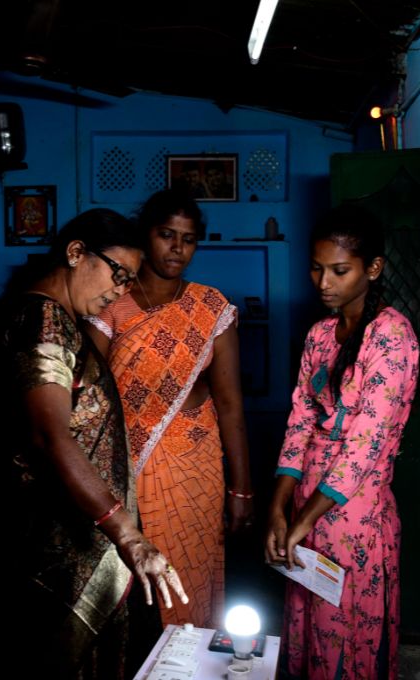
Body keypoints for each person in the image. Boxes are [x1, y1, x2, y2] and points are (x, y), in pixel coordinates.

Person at [0, 208, 187, 679]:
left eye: (130, 281)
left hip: (68, 531)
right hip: (63, 543)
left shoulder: (44, 314)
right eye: (118, 273)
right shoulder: (45, 319)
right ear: (76, 253)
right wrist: (128, 536)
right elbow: (50, 434)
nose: (121, 289)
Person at [264, 203, 419, 680]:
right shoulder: (319, 335)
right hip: (306, 504)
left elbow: (363, 451)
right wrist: (279, 507)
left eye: (339, 270)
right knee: (309, 623)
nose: (323, 282)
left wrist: (303, 519)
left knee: (347, 638)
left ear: (372, 269)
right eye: (316, 268)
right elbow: (299, 420)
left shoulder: (392, 338)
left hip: (353, 514)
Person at [88, 188, 253, 630]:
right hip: (127, 468)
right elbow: (87, 397)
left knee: (189, 580)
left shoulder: (211, 306)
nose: (178, 247)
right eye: (166, 234)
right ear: (147, 235)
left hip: (194, 464)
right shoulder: (112, 303)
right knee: (132, 592)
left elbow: (232, 404)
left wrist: (241, 490)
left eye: (189, 238)